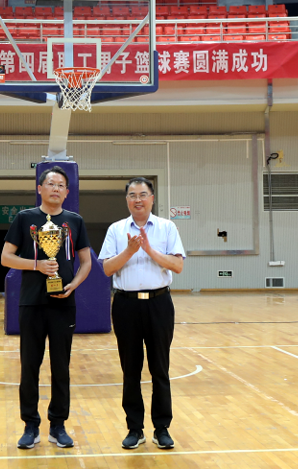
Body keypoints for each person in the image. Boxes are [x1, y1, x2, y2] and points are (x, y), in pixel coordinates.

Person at [1, 165, 92, 450]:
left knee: (61, 367)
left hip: (63, 304)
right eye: (51, 184)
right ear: (40, 188)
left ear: (67, 192)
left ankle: (58, 425)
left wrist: (73, 285)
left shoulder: (74, 221)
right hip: (31, 303)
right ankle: (30, 425)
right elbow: (6, 257)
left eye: (61, 185)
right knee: (30, 365)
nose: (55, 188)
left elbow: (86, 261)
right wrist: (37, 265)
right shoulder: (25, 218)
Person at [98, 177, 185, 450]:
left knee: (160, 368)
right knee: (130, 369)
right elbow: (107, 269)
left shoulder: (167, 227)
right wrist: (130, 250)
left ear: (152, 198)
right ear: (127, 200)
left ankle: (162, 428)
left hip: (159, 304)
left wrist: (148, 250)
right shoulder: (116, 229)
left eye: (143, 194)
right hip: (126, 305)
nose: (138, 199)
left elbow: (177, 265)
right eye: (133, 195)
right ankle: (134, 428)